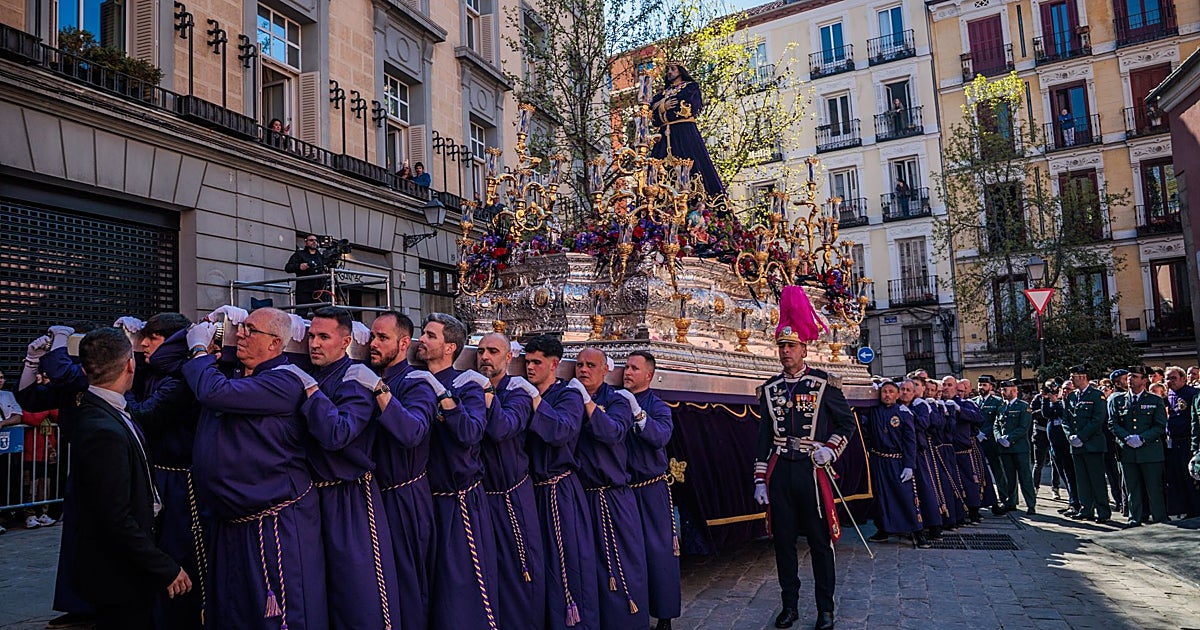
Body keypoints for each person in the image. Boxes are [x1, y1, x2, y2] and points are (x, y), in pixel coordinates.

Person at [181, 307, 330, 629]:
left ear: (275, 344)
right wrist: (212, 324)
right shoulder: (237, 371)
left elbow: (212, 391)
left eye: (250, 330)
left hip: (272, 520)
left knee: (275, 614)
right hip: (232, 518)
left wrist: (197, 349)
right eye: (241, 328)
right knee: (235, 611)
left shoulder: (283, 381)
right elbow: (167, 360)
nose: (241, 336)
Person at [71, 328, 191, 629]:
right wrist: (164, 567)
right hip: (118, 575)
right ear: (130, 365)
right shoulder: (102, 429)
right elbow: (115, 517)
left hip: (126, 569)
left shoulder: (108, 411)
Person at [752, 286, 856, 630]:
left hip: (813, 471)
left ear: (804, 348)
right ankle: (789, 606)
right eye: (781, 347)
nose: (785, 352)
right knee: (783, 543)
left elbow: (846, 423)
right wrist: (759, 479)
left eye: (791, 346)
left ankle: (825, 608)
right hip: (782, 471)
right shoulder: (769, 389)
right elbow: (764, 437)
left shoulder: (824, 384)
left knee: (819, 542)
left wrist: (831, 447)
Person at [300, 307, 401, 629]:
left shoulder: (354, 379)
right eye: (311, 336)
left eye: (323, 337)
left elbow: (338, 434)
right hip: (310, 498)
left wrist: (312, 393)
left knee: (359, 593)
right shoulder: (309, 373)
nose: (314, 344)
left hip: (350, 498)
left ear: (344, 342)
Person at [412, 312, 499, 629]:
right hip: (422, 498)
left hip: (457, 501)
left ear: (450, 347)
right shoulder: (413, 379)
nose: (422, 339)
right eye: (422, 333)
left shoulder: (467, 384)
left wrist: (444, 397)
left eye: (430, 335)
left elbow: (471, 433)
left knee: (460, 588)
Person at [121, 312, 205, 630]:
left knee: (178, 552)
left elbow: (144, 415)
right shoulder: (154, 371)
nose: (143, 344)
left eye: (153, 338)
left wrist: (119, 390)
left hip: (181, 483)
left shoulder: (182, 378)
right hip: (157, 473)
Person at [522, 335, 599, 630]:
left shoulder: (568, 395)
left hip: (560, 490)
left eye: (536, 362)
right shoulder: (522, 392)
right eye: (526, 362)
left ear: (554, 364)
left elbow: (561, 432)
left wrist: (535, 400)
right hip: (532, 492)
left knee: (568, 562)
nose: (530, 368)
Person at [367, 311, 438, 629]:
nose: (373, 343)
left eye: (382, 337)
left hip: (406, 497)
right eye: (372, 336)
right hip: (372, 498)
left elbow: (412, 433)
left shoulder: (416, 383)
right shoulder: (368, 373)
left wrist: (381, 393)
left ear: (404, 342)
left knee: (407, 583)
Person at [476, 332, 547, 630]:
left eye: (493, 351)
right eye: (480, 351)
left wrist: (488, 397)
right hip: (481, 496)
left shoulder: (517, 392)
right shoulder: (470, 386)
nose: (484, 357)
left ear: (508, 358)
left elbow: (502, 428)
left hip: (511, 495)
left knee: (522, 570)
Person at [574, 347, 649, 629]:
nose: (583, 370)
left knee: (624, 564)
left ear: (605, 370)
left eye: (591, 365)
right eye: (579, 365)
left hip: (613, 496)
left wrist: (587, 404)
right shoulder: (571, 397)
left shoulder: (618, 400)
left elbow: (613, 432)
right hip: (582, 496)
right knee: (589, 565)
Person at [622, 350, 681, 630]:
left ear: (648, 375)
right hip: (623, 490)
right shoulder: (616, 401)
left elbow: (659, 436)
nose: (627, 372)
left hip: (650, 489)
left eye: (634, 368)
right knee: (628, 553)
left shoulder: (658, 407)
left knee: (658, 552)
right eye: (626, 367)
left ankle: (665, 615)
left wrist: (638, 413)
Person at [863, 380, 926, 547]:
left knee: (905, 496)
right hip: (878, 460)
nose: (887, 395)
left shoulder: (903, 413)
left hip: (898, 461)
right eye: (884, 392)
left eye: (891, 392)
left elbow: (910, 441)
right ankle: (883, 529)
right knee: (881, 497)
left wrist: (909, 465)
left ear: (898, 395)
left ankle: (917, 530)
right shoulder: (873, 411)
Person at [649, 62, 725, 197]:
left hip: (684, 132)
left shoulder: (690, 88)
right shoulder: (661, 95)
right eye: (668, 70)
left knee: (694, 165)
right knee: (654, 171)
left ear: (681, 71)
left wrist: (662, 112)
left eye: (673, 69)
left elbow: (687, 109)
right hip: (663, 137)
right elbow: (653, 117)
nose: (669, 72)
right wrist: (663, 106)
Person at [1109, 366, 1169, 528]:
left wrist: (1142, 438)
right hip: (1128, 451)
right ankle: (1134, 517)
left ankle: (1159, 517)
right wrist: (1126, 437)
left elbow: (1159, 425)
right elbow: (1112, 423)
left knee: (1154, 487)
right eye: (1129, 376)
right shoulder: (1118, 400)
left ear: (1144, 380)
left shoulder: (1154, 400)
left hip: (1150, 451)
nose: (1130, 379)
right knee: (1132, 488)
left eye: (1134, 376)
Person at [1064, 364, 1112, 524]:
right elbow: (1066, 420)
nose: (1071, 379)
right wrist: (1070, 435)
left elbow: (1097, 419)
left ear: (1083, 376)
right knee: (1082, 479)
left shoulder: (1097, 396)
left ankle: (1103, 511)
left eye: (1073, 376)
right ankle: (1086, 509)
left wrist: (1081, 437)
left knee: (1096, 480)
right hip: (1076, 446)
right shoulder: (1071, 397)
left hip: (1092, 444)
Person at [945, 376, 985, 524]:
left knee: (970, 481)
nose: (946, 388)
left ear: (956, 388)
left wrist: (960, 410)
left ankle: (974, 511)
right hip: (947, 450)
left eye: (950, 385)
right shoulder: (939, 403)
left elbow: (979, 419)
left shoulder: (965, 403)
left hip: (963, 450)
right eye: (944, 385)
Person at [996, 379, 1036, 515]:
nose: (1002, 392)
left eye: (1005, 390)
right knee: (1009, 478)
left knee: (1025, 477)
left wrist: (1009, 438)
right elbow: (997, 425)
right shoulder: (1001, 407)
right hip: (1005, 449)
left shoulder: (1023, 406)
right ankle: (1010, 502)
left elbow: (1024, 427)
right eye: (1001, 390)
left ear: (1014, 391)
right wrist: (999, 437)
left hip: (1019, 449)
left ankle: (1031, 504)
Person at [1164, 367, 1200, 518]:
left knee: (1191, 477)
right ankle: (1185, 508)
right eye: (1168, 378)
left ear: (1183, 379)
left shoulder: (1192, 394)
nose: (1170, 381)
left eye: (1173, 378)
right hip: (1173, 441)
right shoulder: (1169, 394)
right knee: (1178, 477)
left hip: (1187, 440)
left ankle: (1196, 508)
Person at [974, 375, 1008, 514]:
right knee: (978, 471)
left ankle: (1003, 497)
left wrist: (985, 434)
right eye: (980, 385)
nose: (981, 388)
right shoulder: (973, 402)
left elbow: (997, 421)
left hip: (991, 442)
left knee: (997, 470)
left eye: (985, 385)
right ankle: (981, 498)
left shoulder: (998, 402)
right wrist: (977, 433)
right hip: (977, 440)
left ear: (991, 387)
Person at [285, 235, 328, 308]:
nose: (314, 242)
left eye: (316, 240)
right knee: (302, 311)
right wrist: (299, 266)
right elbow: (288, 268)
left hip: (319, 290)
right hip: (304, 289)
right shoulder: (299, 254)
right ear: (306, 242)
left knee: (321, 313)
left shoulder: (321, 256)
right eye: (311, 240)